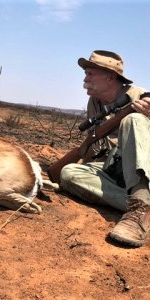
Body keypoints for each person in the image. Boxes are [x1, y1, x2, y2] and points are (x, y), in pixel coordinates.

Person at [59, 50, 150, 247]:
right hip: (116, 169)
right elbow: (96, 140)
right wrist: (86, 150)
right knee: (68, 173)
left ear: (110, 77)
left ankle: (139, 209)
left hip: (144, 168)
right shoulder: (95, 102)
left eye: (90, 73)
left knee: (134, 119)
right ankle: (141, 204)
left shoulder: (140, 96)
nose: (85, 78)